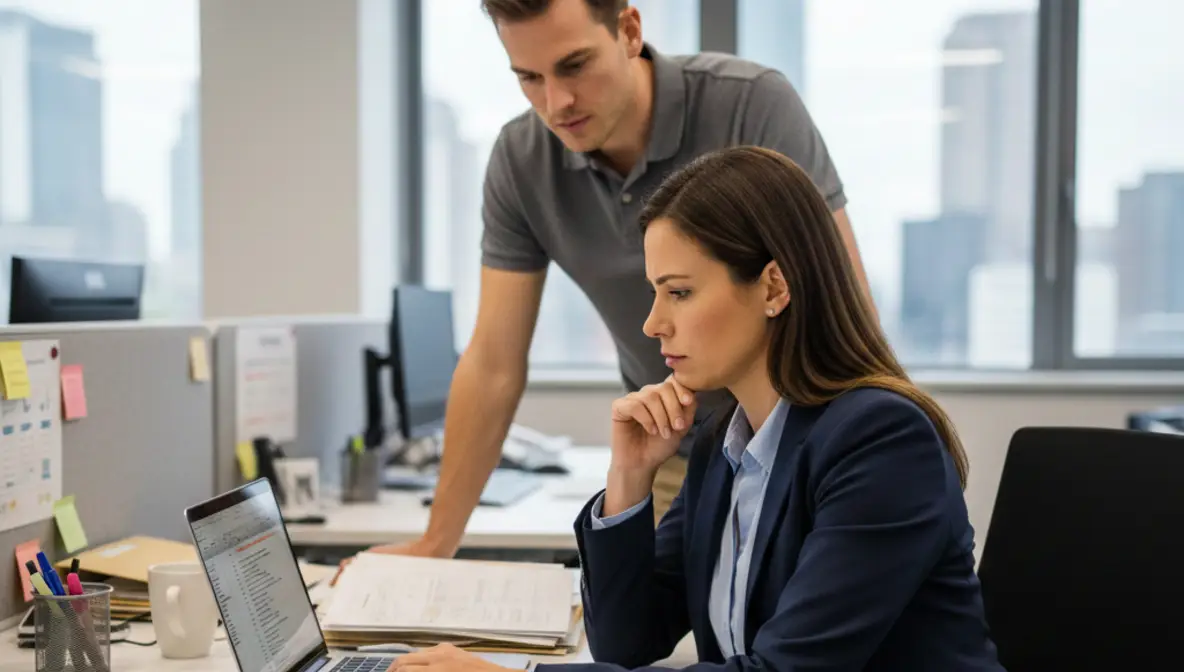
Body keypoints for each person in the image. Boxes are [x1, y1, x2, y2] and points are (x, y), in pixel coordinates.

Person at [387, 146, 1002, 671]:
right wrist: (629, 478)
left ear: (773, 287)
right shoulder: (723, 444)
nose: (653, 324)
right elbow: (626, 642)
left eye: (679, 292)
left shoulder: (880, 442)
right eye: (657, 293)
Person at [376, 0, 876, 559]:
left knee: (788, 637)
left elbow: (842, 302)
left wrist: (869, 449)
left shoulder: (750, 104)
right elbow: (493, 362)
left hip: (799, 447)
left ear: (630, 31)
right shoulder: (521, 161)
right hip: (678, 454)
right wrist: (437, 541)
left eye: (574, 65)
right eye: (529, 77)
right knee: (639, 633)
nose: (555, 102)